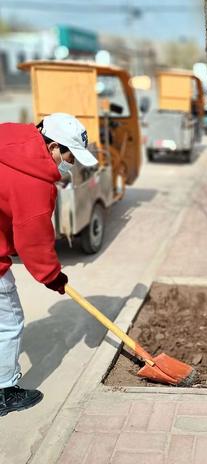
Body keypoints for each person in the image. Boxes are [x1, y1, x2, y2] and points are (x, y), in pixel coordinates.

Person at [0, 113, 98, 416]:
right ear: (53, 146)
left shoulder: (8, 134)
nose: (69, 162)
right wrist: (52, 277)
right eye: (68, 155)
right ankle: (4, 392)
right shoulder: (35, 185)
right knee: (8, 323)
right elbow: (35, 241)